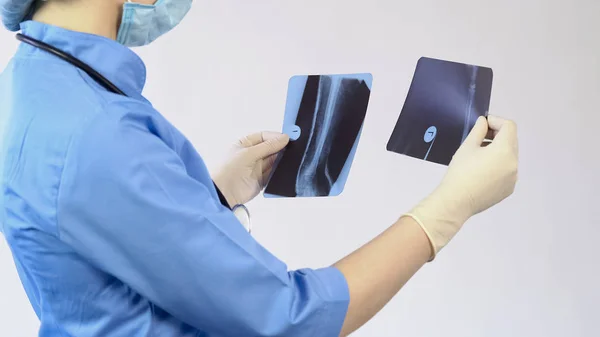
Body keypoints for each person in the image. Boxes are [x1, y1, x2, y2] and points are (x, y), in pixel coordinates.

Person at [0, 0, 519, 336]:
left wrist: (212, 197)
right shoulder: (97, 131)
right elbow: (289, 319)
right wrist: (446, 211)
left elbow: (98, 246)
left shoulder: (35, 83)